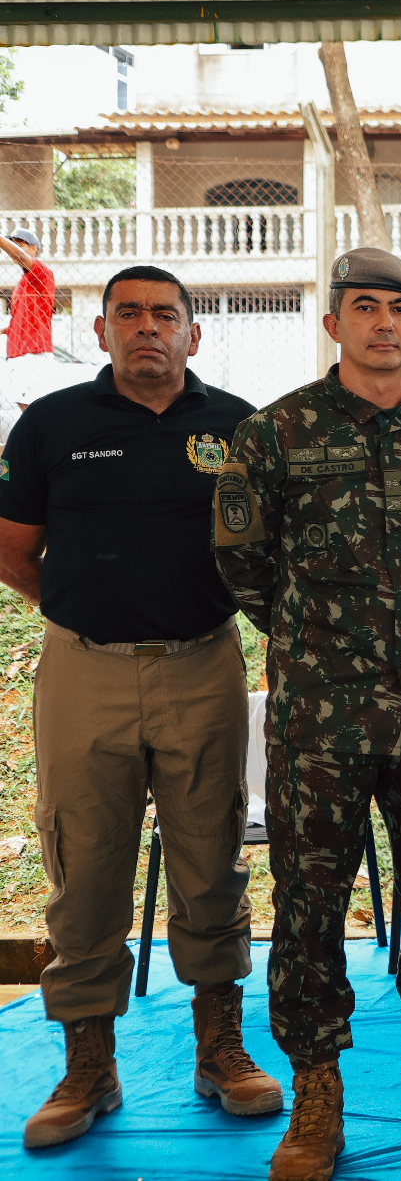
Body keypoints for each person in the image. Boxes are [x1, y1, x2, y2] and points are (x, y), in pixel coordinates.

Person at [214, 248, 401, 1181]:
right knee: (309, 900)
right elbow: (243, 567)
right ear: (332, 322)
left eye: (400, 309)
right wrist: (318, 640)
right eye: (364, 307)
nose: (384, 323)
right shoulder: (273, 435)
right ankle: (316, 1092)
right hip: (322, 716)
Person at [1, 265, 276, 1149]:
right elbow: (13, 552)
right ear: (104, 331)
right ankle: (89, 1067)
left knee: (211, 861)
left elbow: (269, 551)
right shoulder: (52, 424)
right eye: (130, 314)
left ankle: (220, 1050)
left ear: (194, 333)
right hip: (87, 673)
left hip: (204, 668)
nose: (147, 327)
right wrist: (88, 616)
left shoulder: (238, 427)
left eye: (166, 314)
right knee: (84, 871)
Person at [1, 228, 59, 402]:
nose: (14, 249)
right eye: (13, 245)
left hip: (34, 351)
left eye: (19, 245)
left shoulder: (42, 273)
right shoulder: (21, 285)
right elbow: (20, 321)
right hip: (16, 351)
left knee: (32, 407)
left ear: (34, 248)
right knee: (23, 404)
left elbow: (19, 256)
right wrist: (4, 330)